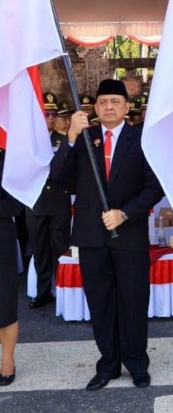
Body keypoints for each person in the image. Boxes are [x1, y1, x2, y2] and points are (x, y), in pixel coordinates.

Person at [50, 79, 163, 390]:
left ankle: (137, 363)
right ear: (94, 108)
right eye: (103, 102)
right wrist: (71, 137)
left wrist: (124, 213)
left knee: (134, 300)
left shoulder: (142, 139)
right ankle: (108, 364)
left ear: (127, 107)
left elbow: (154, 186)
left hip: (128, 233)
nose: (109, 107)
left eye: (115, 101)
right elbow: (57, 176)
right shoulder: (85, 138)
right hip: (90, 235)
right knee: (100, 302)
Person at [26, 92, 72, 309]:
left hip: (57, 201)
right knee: (40, 249)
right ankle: (43, 292)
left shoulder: (63, 140)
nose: (51, 118)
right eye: (47, 114)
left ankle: (64, 290)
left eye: (54, 114)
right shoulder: (28, 142)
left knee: (61, 248)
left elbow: (68, 169)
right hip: (35, 202)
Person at [0, 148, 24, 386]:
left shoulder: (7, 159)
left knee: (4, 303)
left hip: (1, 239)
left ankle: (7, 360)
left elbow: (15, 205)